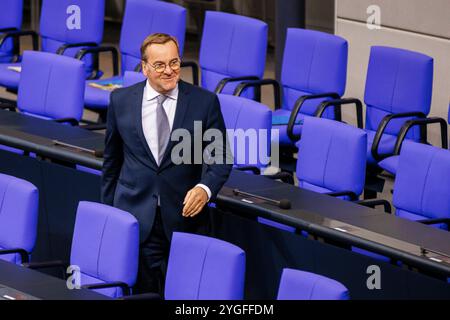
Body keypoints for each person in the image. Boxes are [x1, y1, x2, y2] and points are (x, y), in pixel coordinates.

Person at [101, 33, 232, 295]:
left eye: (174, 62)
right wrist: (109, 216)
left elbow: (221, 158)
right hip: (136, 219)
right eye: (160, 65)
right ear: (145, 67)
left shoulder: (204, 103)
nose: (169, 71)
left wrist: (204, 189)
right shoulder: (121, 101)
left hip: (185, 221)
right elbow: (111, 163)